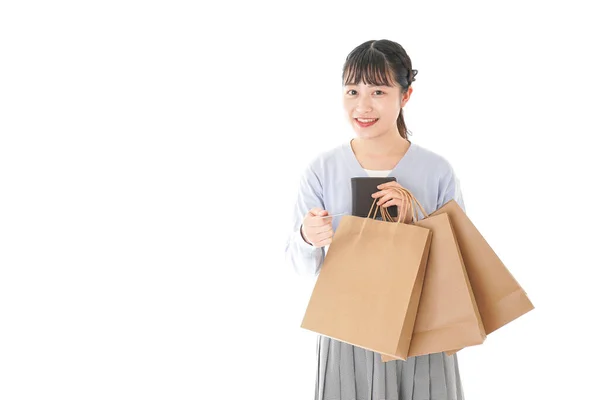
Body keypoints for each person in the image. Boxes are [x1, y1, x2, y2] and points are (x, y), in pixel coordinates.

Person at [285, 39, 467, 400]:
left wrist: (414, 221)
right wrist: (307, 237)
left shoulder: (435, 170)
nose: (362, 106)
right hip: (346, 330)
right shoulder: (322, 170)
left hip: (422, 330)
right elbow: (303, 268)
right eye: (352, 91)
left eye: (378, 91)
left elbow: (460, 265)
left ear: (405, 96)